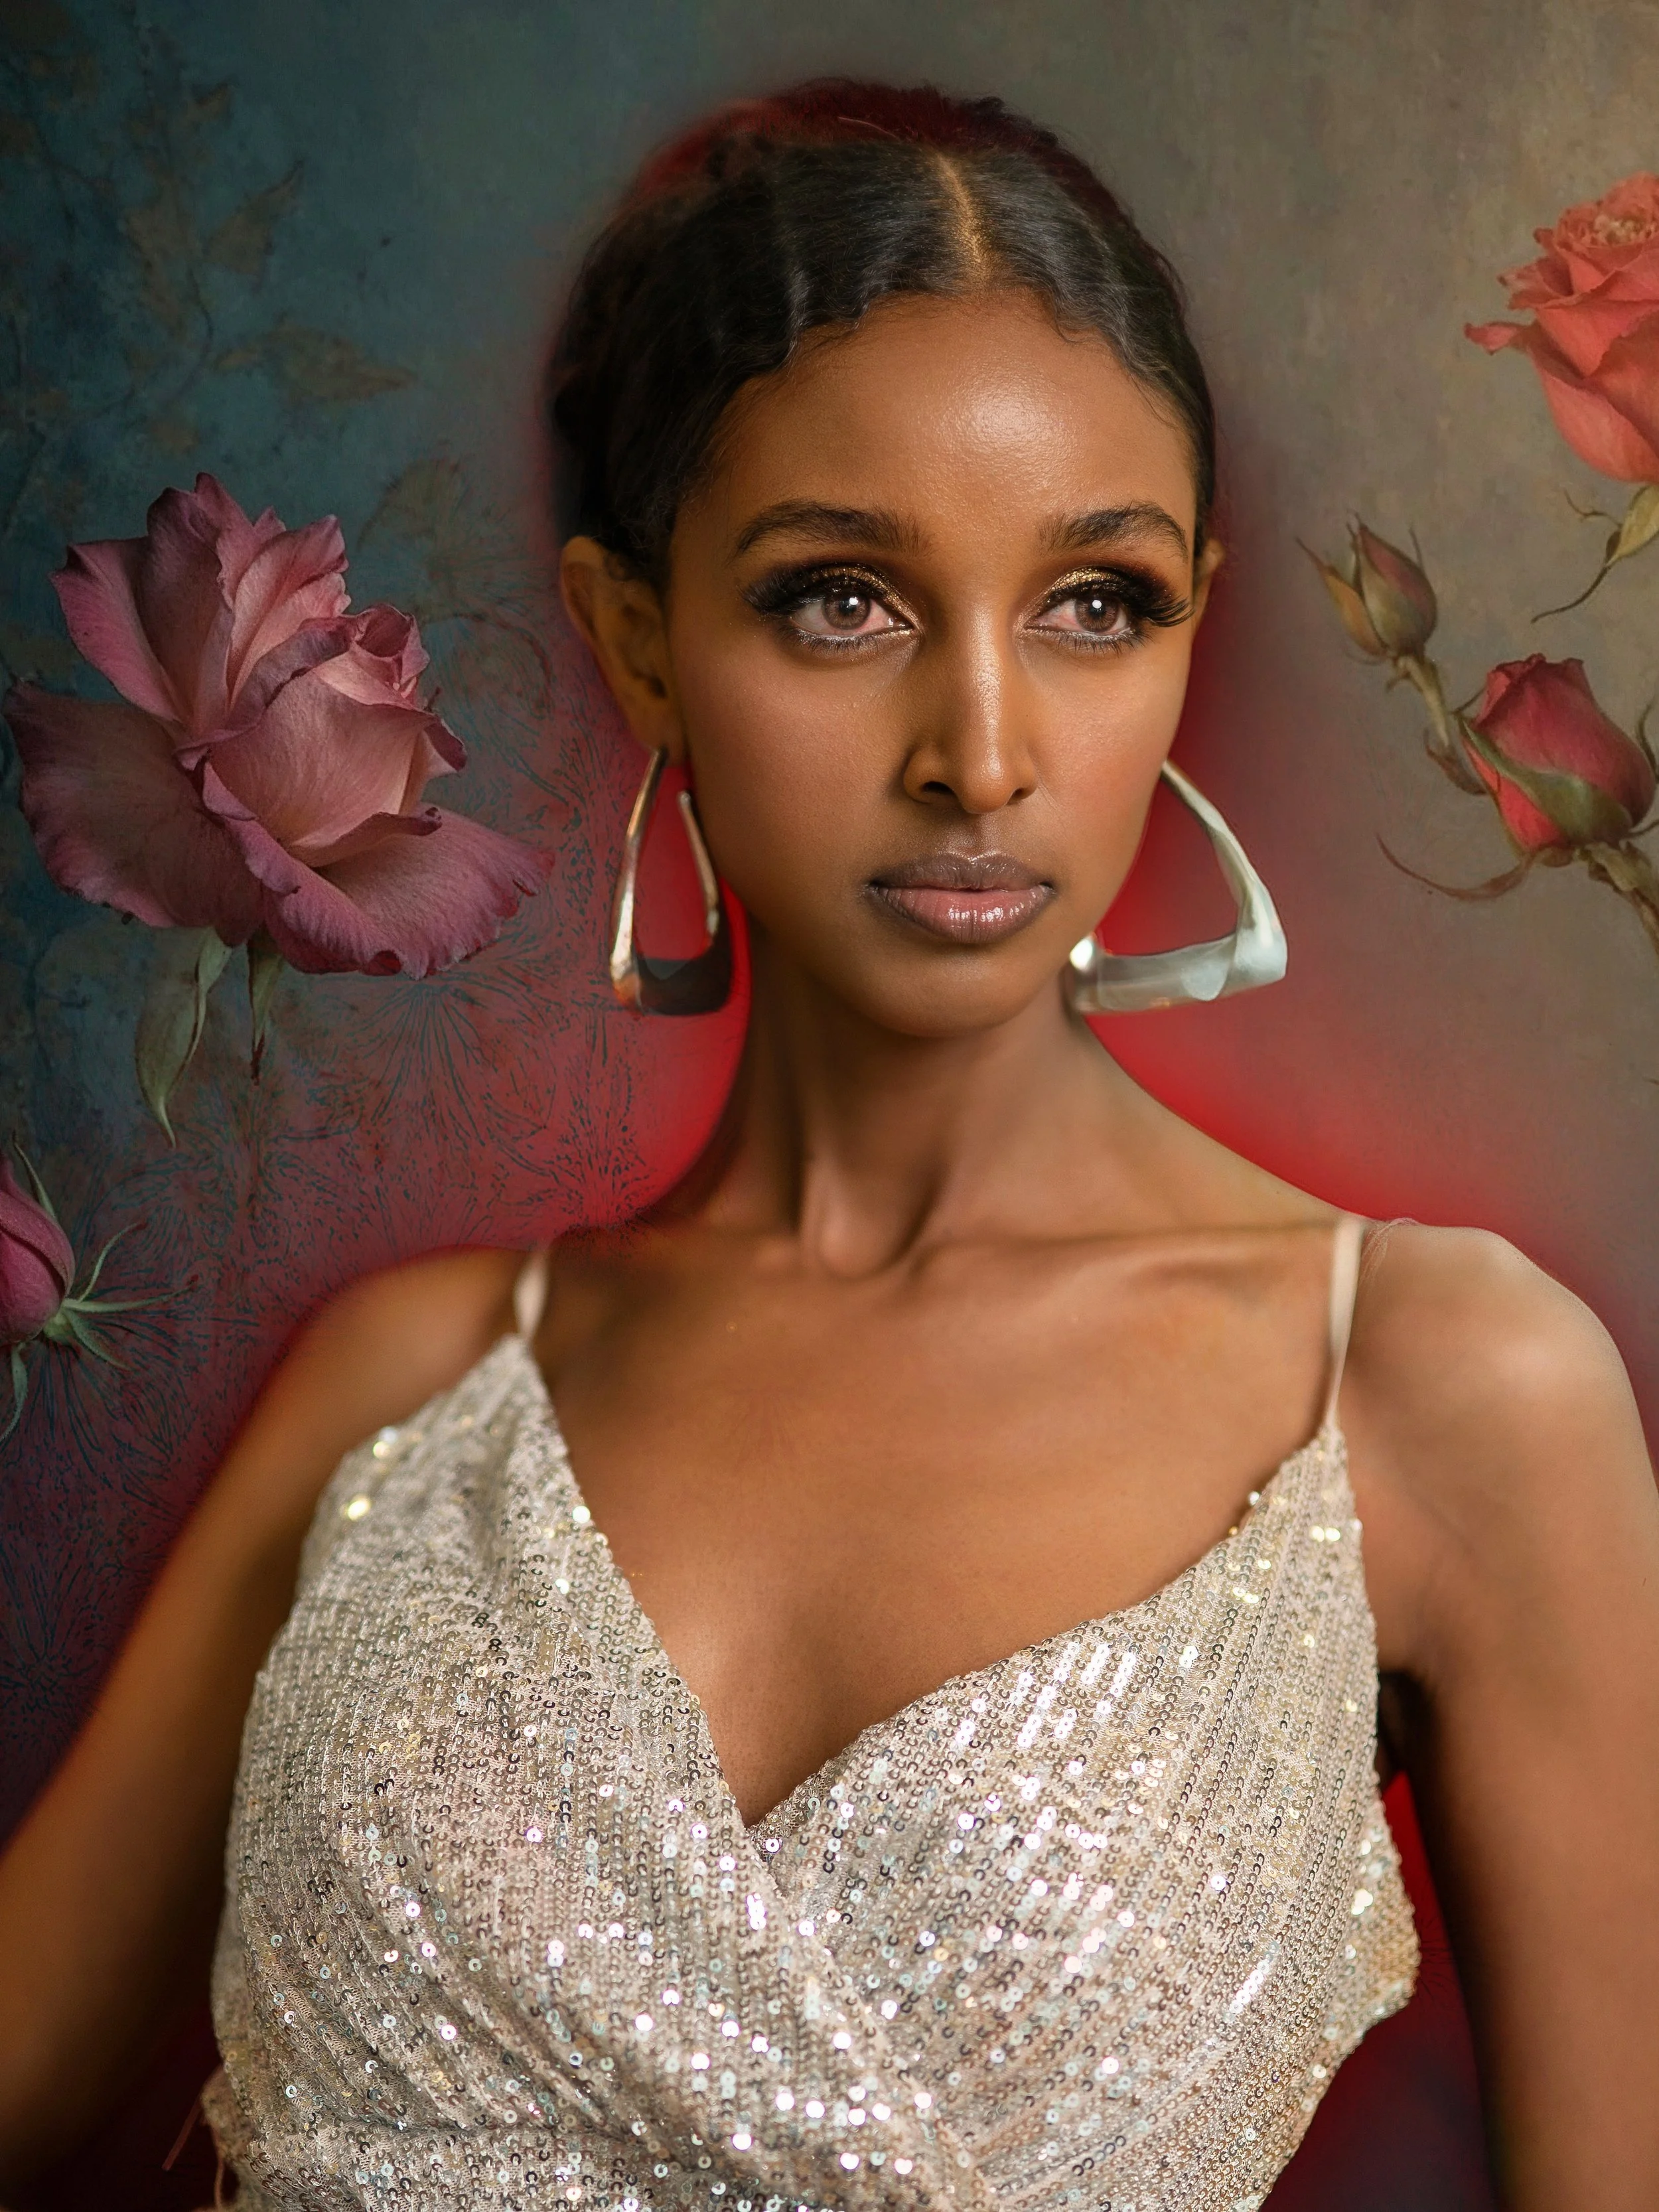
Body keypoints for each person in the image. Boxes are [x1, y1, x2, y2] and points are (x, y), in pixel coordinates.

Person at [1, 76, 1656, 2212]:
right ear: (638, 640)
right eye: (839, 601)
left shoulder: (1435, 1386)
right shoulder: (409, 1387)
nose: (981, 751)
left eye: (1095, 602)